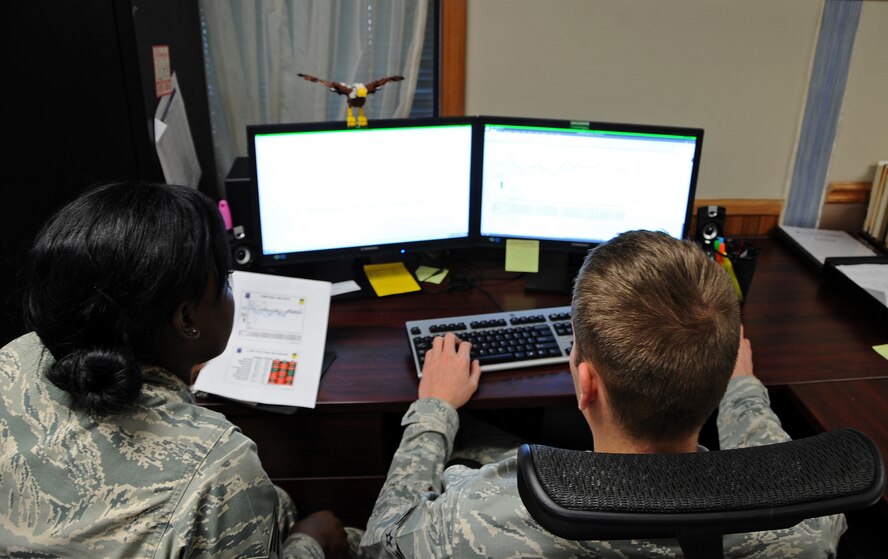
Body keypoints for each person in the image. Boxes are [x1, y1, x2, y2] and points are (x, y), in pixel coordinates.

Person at [360, 230, 847, 557]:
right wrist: (742, 389)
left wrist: (435, 409)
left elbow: (381, 542)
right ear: (717, 383)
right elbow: (773, 462)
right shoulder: (805, 520)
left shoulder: (479, 515)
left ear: (585, 382)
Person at [0, 182, 360, 558]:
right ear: (187, 319)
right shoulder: (221, 466)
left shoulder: (15, 358)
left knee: (280, 502)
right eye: (226, 281)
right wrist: (309, 543)